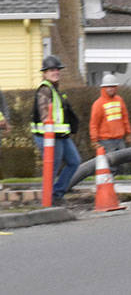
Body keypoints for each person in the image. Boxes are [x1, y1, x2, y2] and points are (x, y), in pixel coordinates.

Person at [30, 56, 81, 205]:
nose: (56, 72)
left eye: (57, 69)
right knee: (52, 166)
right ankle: (49, 198)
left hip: (61, 135)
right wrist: (49, 130)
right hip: (48, 136)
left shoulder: (55, 90)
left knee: (74, 161)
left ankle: (57, 193)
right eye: (52, 70)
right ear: (45, 73)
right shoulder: (45, 90)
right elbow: (45, 114)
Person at [90, 73, 131, 175]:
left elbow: (125, 118)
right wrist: (94, 140)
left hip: (119, 139)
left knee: (123, 163)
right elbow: (94, 124)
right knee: (110, 166)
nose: (111, 89)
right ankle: (108, 184)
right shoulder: (98, 104)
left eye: (113, 86)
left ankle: (118, 184)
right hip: (106, 141)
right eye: (108, 87)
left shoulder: (119, 100)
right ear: (103, 88)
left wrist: (128, 133)